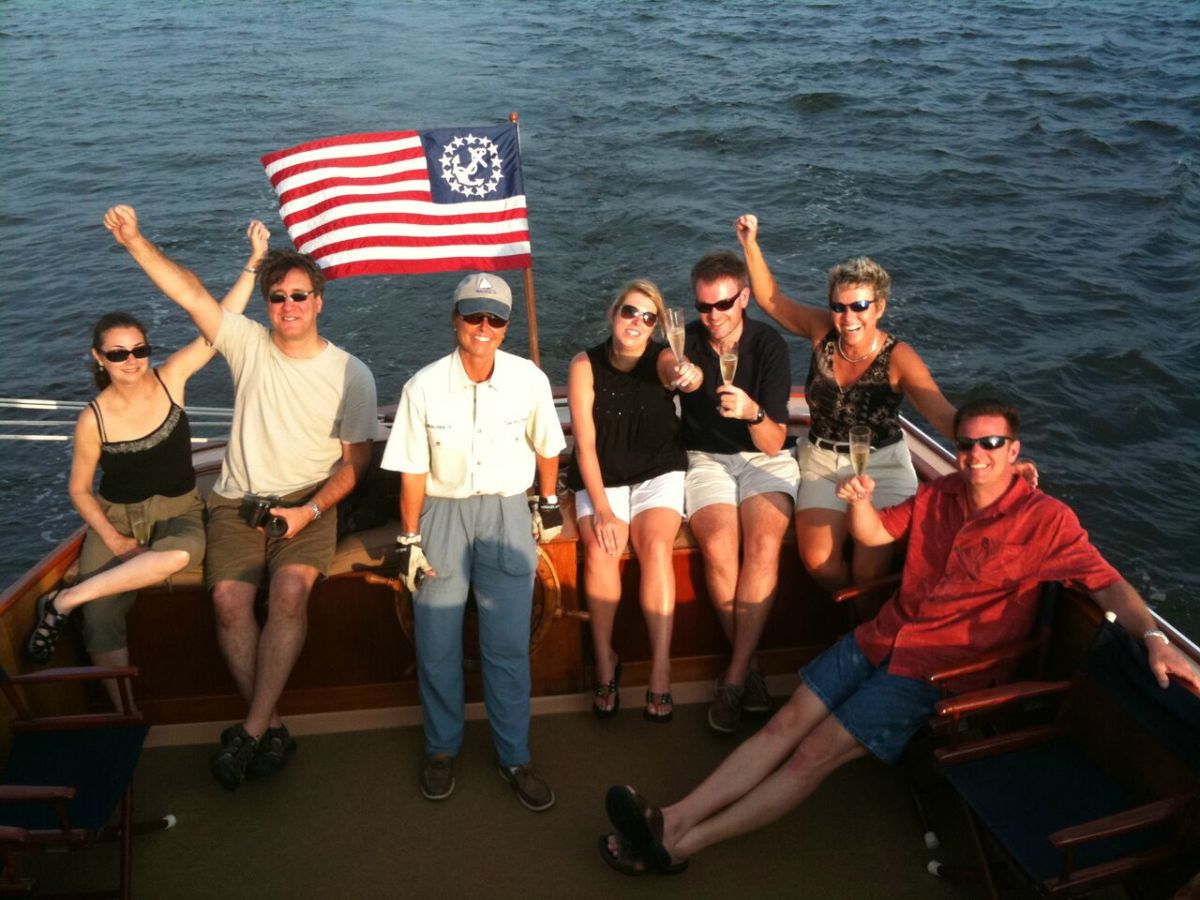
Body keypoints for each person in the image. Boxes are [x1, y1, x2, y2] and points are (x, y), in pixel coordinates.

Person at [598, 397, 1200, 876]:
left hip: (937, 670)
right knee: (784, 723)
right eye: (966, 445)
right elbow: (880, 535)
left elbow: (1108, 584)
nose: (975, 455)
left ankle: (682, 843)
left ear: (1014, 451)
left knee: (812, 755)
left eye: (991, 444)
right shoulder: (939, 492)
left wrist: (1152, 636)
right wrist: (858, 502)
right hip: (883, 634)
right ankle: (671, 817)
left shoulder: (1047, 522)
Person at [105, 205, 378, 791]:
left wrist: (308, 510)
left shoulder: (352, 374)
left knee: (287, 596)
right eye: (278, 297)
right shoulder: (248, 343)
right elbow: (191, 293)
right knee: (229, 602)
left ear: (320, 301)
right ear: (267, 305)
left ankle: (249, 731)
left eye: (300, 296)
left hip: (309, 504)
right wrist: (135, 239)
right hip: (234, 501)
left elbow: (357, 463)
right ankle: (271, 726)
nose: (289, 307)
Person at [24, 220, 268, 708]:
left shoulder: (171, 378)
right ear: (99, 359)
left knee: (180, 556)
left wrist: (254, 262)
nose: (132, 360)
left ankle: (63, 601)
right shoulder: (91, 419)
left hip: (178, 511)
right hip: (114, 517)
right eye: (118, 353)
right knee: (101, 618)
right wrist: (114, 540)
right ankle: (125, 712)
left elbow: (220, 321)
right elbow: (78, 490)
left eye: (139, 349)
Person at [381, 272, 566, 811]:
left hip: (508, 512)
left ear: (506, 327)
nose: (483, 327)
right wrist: (410, 539)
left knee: (506, 647)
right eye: (473, 315)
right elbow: (413, 471)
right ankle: (441, 750)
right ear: (454, 317)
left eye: (496, 318)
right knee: (436, 642)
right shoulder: (422, 387)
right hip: (442, 514)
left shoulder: (529, 380)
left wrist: (547, 503)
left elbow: (548, 445)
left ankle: (514, 757)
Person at [735, 213, 971, 593]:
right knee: (819, 562)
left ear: (879, 307)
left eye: (859, 306)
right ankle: (860, 628)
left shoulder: (899, 357)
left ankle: (863, 636)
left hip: (883, 466)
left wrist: (995, 446)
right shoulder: (821, 331)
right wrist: (750, 244)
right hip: (823, 462)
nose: (848, 317)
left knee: (869, 572)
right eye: (839, 306)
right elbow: (771, 300)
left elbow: (944, 416)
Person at [566, 280, 702, 722]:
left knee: (656, 548)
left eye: (648, 318)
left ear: (657, 326)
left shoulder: (661, 358)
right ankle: (605, 659)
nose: (637, 323)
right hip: (602, 476)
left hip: (658, 470)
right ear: (613, 314)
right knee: (602, 551)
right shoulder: (584, 365)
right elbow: (584, 446)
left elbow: (677, 370)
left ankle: (661, 668)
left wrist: (688, 374)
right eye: (630, 312)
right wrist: (602, 510)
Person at [678, 251, 799, 734]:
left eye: (724, 304)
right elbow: (665, 358)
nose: (714, 317)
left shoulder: (769, 346)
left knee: (765, 545)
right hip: (705, 458)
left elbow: (773, 442)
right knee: (719, 549)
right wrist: (674, 371)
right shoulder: (687, 339)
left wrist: (751, 413)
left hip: (763, 457)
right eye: (704, 306)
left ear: (743, 298)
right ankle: (750, 673)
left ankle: (733, 676)